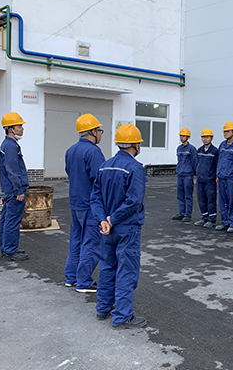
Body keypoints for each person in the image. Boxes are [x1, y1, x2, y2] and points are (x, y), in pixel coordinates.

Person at [91, 123, 147, 328]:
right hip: (126, 227)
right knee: (126, 270)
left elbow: (95, 197)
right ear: (135, 145)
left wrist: (103, 220)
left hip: (107, 229)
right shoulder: (135, 168)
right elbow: (134, 201)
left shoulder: (104, 166)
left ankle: (103, 307)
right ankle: (122, 315)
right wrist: (112, 219)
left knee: (107, 266)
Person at [64, 114, 106, 292]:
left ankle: (71, 276)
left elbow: (69, 172)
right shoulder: (93, 152)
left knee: (76, 240)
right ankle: (84, 281)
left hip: (75, 202)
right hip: (90, 204)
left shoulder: (71, 150)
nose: (101, 134)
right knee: (92, 243)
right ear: (93, 131)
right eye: (100, 130)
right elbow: (101, 179)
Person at [0, 112, 30, 261]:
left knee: (6, 220)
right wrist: (19, 190)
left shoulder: (8, 144)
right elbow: (12, 171)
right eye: (19, 126)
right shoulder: (11, 146)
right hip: (14, 191)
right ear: (11, 129)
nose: (22, 129)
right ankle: (10, 250)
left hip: (9, 190)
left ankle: (5, 248)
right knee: (12, 221)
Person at [216, 122, 233, 233]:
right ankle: (224, 222)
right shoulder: (222, 145)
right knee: (222, 201)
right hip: (222, 177)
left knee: (232, 201)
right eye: (224, 131)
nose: (225, 133)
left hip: (231, 178)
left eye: (228, 131)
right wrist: (217, 175)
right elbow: (219, 161)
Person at [194, 128, 219, 228]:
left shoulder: (215, 151)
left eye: (207, 137)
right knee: (201, 200)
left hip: (210, 180)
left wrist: (216, 176)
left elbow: (217, 165)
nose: (205, 139)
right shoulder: (199, 150)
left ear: (211, 138)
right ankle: (204, 217)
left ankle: (211, 219)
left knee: (211, 200)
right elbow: (196, 163)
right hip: (200, 179)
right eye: (203, 137)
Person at [172, 128, 197, 222]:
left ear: (188, 137)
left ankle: (188, 214)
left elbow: (195, 162)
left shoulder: (192, 149)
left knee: (188, 195)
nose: (181, 138)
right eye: (181, 136)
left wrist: (194, 173)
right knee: (180, 195)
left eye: (183, 136)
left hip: (188, 175)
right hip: (180, 174)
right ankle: (181, 213)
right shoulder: (179, 148)